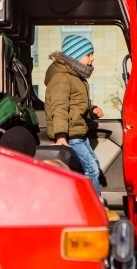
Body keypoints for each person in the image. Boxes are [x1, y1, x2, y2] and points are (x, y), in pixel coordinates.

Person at [44, 34, 104, 196]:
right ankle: (94, 208)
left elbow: (77, 107)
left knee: (94, 165)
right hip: (70, 135)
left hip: (78, 133)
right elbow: (59, 108)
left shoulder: (76, 78)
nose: (92, 59)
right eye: (89, 55)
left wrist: (92, 111)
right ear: (76, 55)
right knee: (91, 169)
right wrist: (61, 136)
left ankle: (88, 203)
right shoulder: (62, 78)